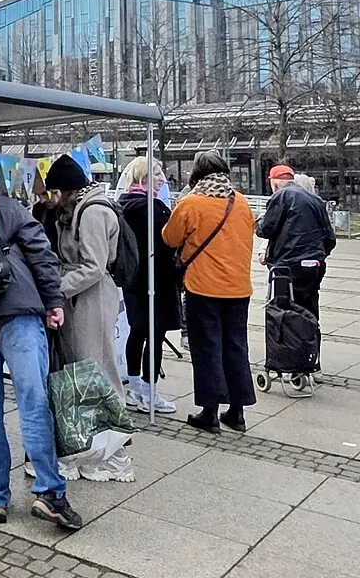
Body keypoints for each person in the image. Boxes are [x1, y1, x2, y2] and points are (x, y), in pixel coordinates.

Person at [0, 177, 83, 530]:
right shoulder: (9, 208)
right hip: (19, 311)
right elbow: (41, 254)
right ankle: (49, 492)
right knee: (33, 402)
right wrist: (53, 301)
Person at [162, 150, 257, 433]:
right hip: (239, 287)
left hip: (203, 287)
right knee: (236, 347)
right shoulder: (241, 202)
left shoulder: (191, 203)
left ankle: (210, 412)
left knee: (207, 348)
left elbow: (169, 238)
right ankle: (237, 412)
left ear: (196, 174)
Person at [47, 155, 124, 400]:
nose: (51, 199)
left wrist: (59, 288)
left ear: (66, 190)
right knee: (82, 365)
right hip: (80, 293)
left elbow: (94, 266)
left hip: (92, 296)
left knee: (97, 364)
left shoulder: (93, 212)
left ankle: (112, 418)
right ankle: (92, 418)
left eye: (54, 193)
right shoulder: (79, 209)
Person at [118, 157, 180, 414]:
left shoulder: (122, 205)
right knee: (155, 336)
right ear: (142, 177)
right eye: (156, 173)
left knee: (137, 332)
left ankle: (134, 389)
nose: (161, 179)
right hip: (157, 279)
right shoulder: (154, 210)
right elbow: (170, 243)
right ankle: (149, 392)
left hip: (133, 279)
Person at [256, 163, 334, 322]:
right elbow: (330, 238)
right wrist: (317, 255)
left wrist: (259, 221)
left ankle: (289, 338)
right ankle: (311, 336)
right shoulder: (316, 200)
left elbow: (265, 230)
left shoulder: (281, 196)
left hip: (288, 265)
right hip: (314, 265)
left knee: (286, 310)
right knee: (310, 309)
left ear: (274, 183)